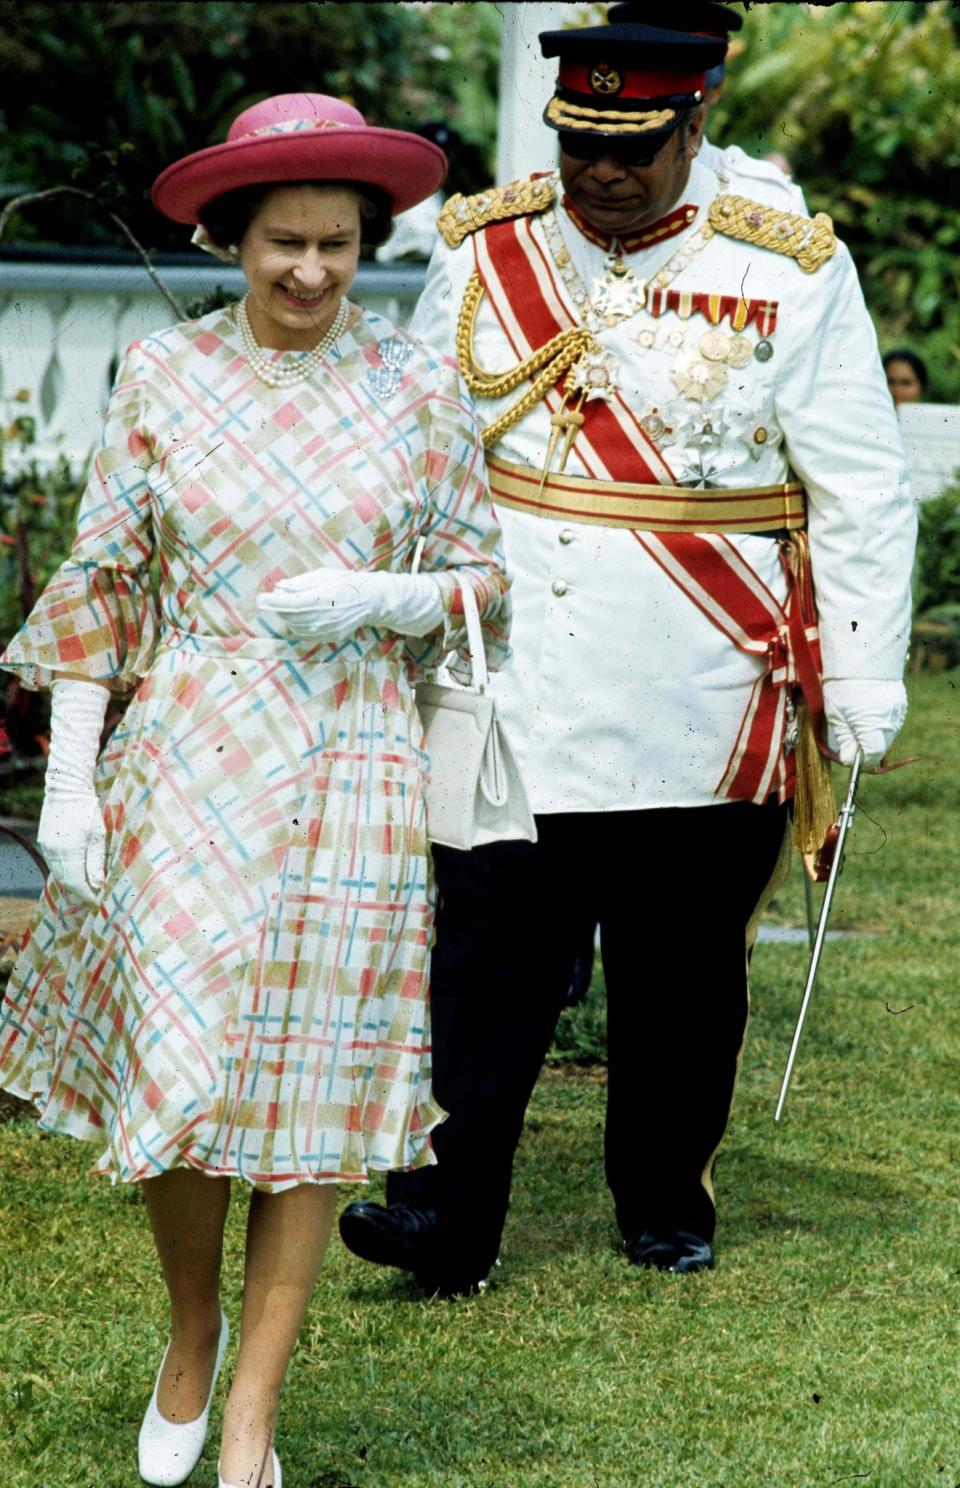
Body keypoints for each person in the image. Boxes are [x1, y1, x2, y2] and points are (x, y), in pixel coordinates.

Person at [339, 16, 916, 1294]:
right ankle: (445, 1212)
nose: (603, 173)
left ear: (694, 124)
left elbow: (863, 486)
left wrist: (864, 678)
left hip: (700, 683)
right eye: (581, 143)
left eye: (636, 149)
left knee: (680, 972)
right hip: (512, 679)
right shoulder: (490, 248)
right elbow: (424, 440)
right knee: (485, 960)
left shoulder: (788, 266)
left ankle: (665, 1195)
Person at [0, 93, 509, 1488]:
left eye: (338, 246)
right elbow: (107, 576)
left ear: (367, 242)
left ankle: (252, 1421)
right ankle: (190, 1328)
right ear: (231, 238)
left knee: (317, 1091)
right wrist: (71, 783)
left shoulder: (417, 385)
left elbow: (487, 581)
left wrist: (387, 593)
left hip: (356, 756)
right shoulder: (165, 378)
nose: (310, 273)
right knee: (182, 1061)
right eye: (284, 243)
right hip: (189, 748)